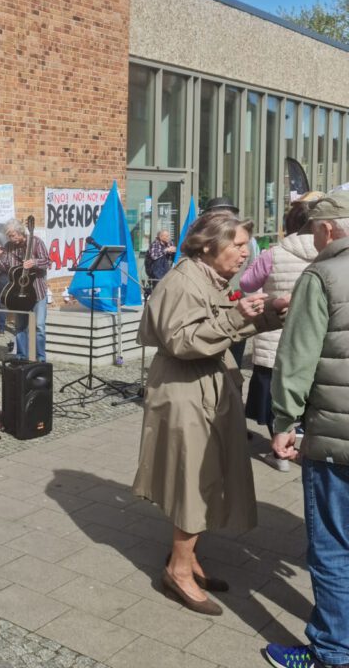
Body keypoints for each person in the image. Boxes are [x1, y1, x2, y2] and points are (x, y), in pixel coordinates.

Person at [132, 211, 286, 616]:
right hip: (185, 392)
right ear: (207, 245)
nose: (244, 252)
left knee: (207, 475)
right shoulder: (183, 280)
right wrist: (240, 315)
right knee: (193, 480)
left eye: (244, 244)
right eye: (236, 245)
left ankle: (188, 559)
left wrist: (268, 313)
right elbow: (183, 341)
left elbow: (222, 326)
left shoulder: (210, 278)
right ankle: (178, 570)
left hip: (205, 386)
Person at [265, 192, 349, 668]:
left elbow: (295, 360)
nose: (315, 239)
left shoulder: (322, 275)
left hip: (335, 440)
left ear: (330, 230)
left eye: (316, 231)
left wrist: (283, 421)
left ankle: (333, 653)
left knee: (334, 547)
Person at [240, 196, 321, 471]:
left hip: (276, 334)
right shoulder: (331, 253)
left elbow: (247, 282)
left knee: (277, 393)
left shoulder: (273, 253)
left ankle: (280, 451)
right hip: (317, 339)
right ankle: (311, 448)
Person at [203, 196, 259, 368]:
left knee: (230, 351)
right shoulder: (205, 239)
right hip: (224, 300)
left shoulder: (246, 240)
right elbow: (253, 271)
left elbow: (252, 268)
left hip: (231, 300)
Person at [0, 218, 50, 362]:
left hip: (37, 291)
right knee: (20, 327)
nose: (12, 239)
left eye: (13, 235)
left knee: (39, 327)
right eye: (9, 236)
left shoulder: (36, 242)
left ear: (21, 231)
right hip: (19, 293)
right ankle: (22, 357)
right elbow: (6, 269)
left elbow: (48, 262)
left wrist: (34, 262)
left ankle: (41, 358)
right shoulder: (9, 246)